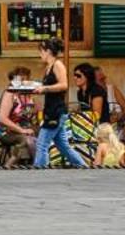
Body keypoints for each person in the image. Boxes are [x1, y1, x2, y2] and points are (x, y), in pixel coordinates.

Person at [32, 38, 87, 169]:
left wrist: (45, 88)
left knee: (42, 144)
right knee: (63, 146)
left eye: (41, 51)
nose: (40, 55)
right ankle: (83, 166)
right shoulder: (48, 68)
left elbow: (64, 85)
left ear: (48, 51)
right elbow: (50, 86)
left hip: (56, 111)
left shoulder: (58, 65)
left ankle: (39, 171)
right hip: (51, 109)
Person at [0, 67, 38, 168]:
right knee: (27, 140)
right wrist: (21, 130)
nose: (23, 83)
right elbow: (3, 119)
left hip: (24, 127)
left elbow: (33, 113)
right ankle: (12, 162)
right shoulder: (10, 94)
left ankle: (36, 162)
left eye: (25, 80)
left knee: (44, 135)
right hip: (6, 130)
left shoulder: (28, 95)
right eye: (20, 80)